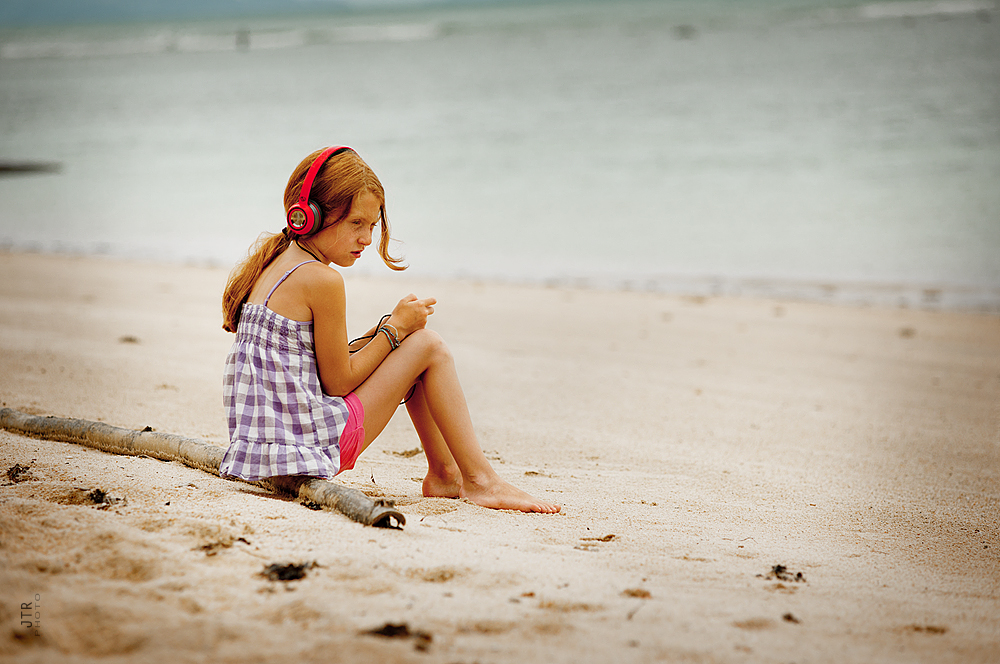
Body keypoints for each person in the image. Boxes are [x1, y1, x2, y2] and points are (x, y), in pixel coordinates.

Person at [220, 146, 560, 514]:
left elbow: (307, 364)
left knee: (408, 352)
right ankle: (481, 481)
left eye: (372, 225)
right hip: (310, 447)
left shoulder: (275, 263)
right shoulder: (322, 280)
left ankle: (446, 474)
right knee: (428, 346)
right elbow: (337, 383)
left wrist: (387, 333)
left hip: (262, 451)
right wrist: (395, 330)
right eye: (356, 223)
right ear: (310, 215)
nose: (366, 238)